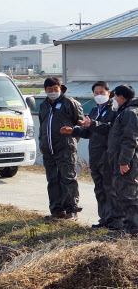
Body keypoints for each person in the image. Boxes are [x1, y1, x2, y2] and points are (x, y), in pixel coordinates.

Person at [60, 81, 122, 229]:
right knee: (99, 189)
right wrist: (74, 130)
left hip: (108, 154)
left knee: (110, 189)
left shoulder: (115, 110)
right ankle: (104, 219)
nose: (99, 95)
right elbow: (88, 132)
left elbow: (111, 129)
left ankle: (115, 221)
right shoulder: (94, 111)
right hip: (95, 155)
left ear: (109, 93)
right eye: (96, 93)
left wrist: (93, 124)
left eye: (102, 92)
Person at [38, 77, 84, 220]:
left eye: (55, 89)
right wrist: (42, 143)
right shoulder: (44, 105)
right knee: (52, 180)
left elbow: (82, 126)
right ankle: (57, 211)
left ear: (60, 88)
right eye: (49, 90)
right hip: (48, 150)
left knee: (68, 178)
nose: (52, 92)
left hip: (65, 148)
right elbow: (42, 126)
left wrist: (71, 139)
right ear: (45, 90)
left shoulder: (69, 103)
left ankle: (72, 210)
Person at [107, 85, 138, 235]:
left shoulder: (130, 112)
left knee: (128, 194)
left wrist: (124, 162)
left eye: (114, 96)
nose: (113, 100)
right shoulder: (124, 111)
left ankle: (133, 228)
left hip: (128, 161)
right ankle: (128, 226)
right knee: (123, 193)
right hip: (121, 159)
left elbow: (130, 140)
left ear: (120, 97)